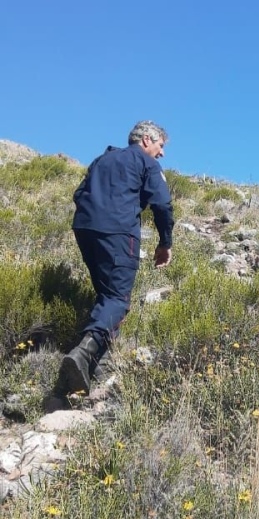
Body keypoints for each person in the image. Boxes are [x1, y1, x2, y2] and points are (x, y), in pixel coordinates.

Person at [47, 121, 174, 410]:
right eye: (161, 146)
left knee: (106, 297)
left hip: (85, 229)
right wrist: (165, 242)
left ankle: (95, 369)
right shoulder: (145, 162)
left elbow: (79, 194)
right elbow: (163, 204)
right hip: (118, 232)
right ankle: (83, 353)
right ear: (146, 140)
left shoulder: (102, 159)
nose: (162, 153)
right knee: (118, 298)